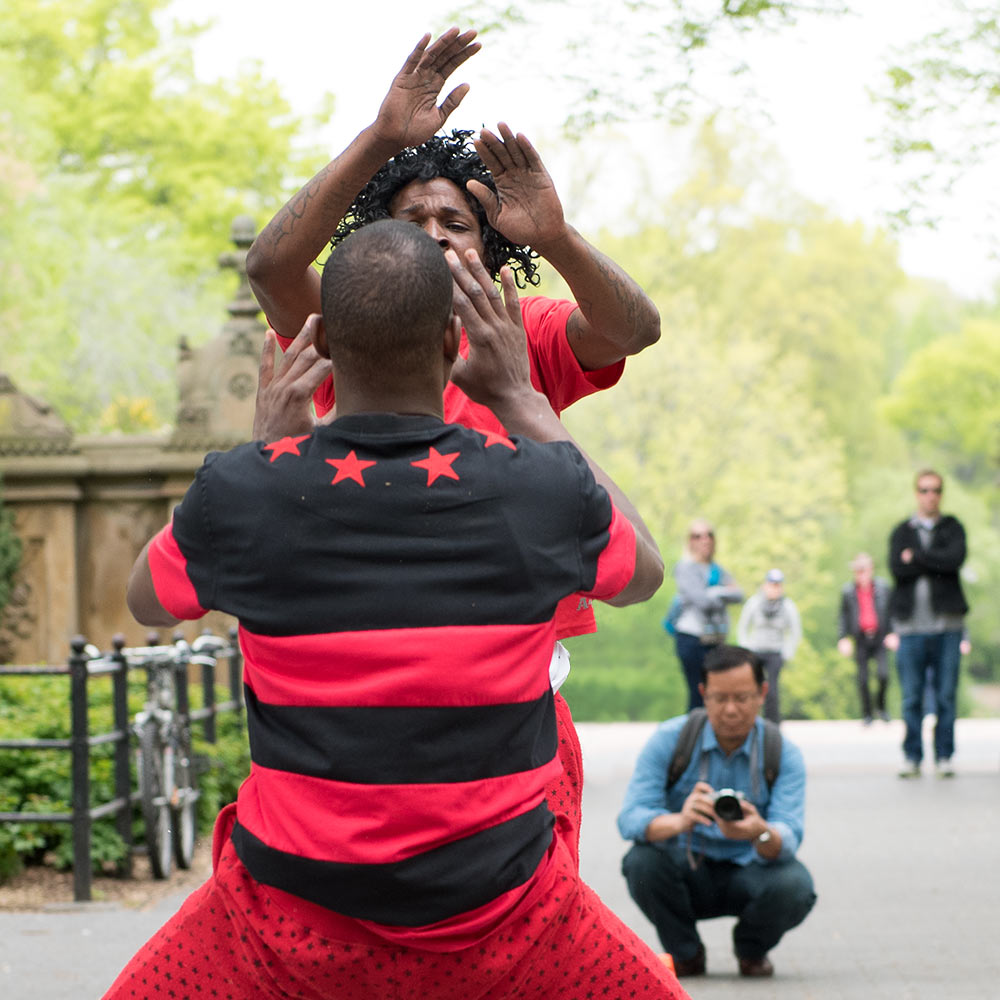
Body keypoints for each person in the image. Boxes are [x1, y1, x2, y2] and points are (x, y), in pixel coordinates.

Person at [106, 222, 685, 1000]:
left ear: (323, 348)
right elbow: (643, 575)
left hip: (284, 924)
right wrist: (523, 402)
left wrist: (262, 449)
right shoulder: (541, 488)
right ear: (454, 341)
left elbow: (147, 601)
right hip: (510, 921)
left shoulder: (248, 495)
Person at [246, 27, 662, 853]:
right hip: (359, 676)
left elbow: (633, 329)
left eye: (456, 222)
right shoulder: (348, 323)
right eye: (413, 219)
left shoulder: (517, 329)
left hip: (513, 685)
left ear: (488, 246)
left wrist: (557, 236)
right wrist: (379, 140)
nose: (436, 233)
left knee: (523, 927)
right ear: (377, 243)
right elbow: (268, 268)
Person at [618, 644, 816, 980]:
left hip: (751, 869)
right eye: (719, 698)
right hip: (687, 867)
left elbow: (790, 836)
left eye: (742, 698)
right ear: (703, 694)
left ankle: (751, 950)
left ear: (762, 693)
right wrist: (680, 820)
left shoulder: (781, 752)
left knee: (794, 884)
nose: (730, 710)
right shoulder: (671, 740)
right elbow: (630, 818)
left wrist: (758, 831)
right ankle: (686, 954)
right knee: (641, 862)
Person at [888, 469, 969, 779]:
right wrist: (934, 561)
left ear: (941, 494)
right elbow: (898, 568)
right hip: (910, 627)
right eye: (924, 490)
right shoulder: (901, 531)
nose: (930, 495)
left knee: (946, 694)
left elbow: (955, 560)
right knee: (911, 697)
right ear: (916, 493)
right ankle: (912, 756)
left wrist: (918, 558)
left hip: (948, 625)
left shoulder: (952, 527)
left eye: (935, 490)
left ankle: (944, 756)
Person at [669, 519, 743, 711]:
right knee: (698, 693)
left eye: (709, 534)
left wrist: (714, 592)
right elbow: (702, 601)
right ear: (690, 541)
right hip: (691, 638)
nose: (705, 540)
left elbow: (738, 594)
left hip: (715, 639)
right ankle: (693, 739)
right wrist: (721, 592)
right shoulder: (685, 568)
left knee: (714, 693)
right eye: (698, 536)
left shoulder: (716, 569)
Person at [837, 552, 896, 724]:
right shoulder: (848, 591)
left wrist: (893, 633)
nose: (861, 574)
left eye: (864, 570)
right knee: (862, 679)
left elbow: (892, 612)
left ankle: (882, 708)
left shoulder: (883, 588)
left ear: (870, 570)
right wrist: (843, 638)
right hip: (860, 638)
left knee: (883, 674)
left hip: (880, 637)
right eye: (858, 571)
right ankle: (867, 714)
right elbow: (843, 617)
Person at [736, 568, 802, 724]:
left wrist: (788, 652)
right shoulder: (754, 603)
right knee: (752, 688)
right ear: (765, 585)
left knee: (772, 690)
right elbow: (743, 627)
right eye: (772, 584)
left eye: (777, 584)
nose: (774, 588)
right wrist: (746, 649)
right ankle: (749, 721)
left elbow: (795, 631)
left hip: (775, 652)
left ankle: (773, 724)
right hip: (756, 651)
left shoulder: (787, 607)